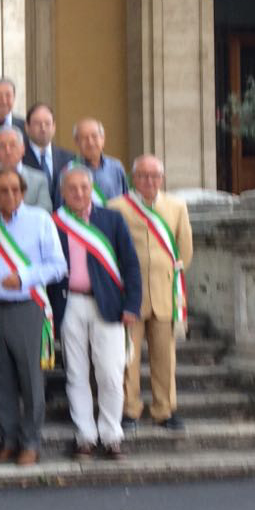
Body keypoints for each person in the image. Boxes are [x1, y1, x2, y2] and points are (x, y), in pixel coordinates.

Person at [0, 167, 67, 465]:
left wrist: (24, 278)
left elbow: (58, 265)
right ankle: (8, 440)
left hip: (28, 306)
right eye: (3, 191)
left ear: (24, 193)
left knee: (31, 379)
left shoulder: (40, 220)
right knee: (1, 380)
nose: (10, 195)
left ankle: (31, 442)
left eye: (16, 190)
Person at [55, 164, 142, 460]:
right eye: (72, 188)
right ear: (63, 192)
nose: (79, 193)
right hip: (69, 303)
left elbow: (130, 264)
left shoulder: (112, 219)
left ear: (91, 189)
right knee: (76, 373)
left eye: (84, 187)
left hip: (109, 304)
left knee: (110, 373)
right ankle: (85, 436)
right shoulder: (56, 222)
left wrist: (132, 305)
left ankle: (111, 435)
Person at [110, 154, 194, 433]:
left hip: (164, 293)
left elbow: (185, 248)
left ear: (162, 178)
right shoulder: (117, 207)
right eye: (143, 176)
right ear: (133, 178)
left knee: (165, 358)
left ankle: (164, 409)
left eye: (155, 176)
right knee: (128, 358)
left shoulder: (177, 206)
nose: (149, 181)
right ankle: (129, 409)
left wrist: (172, 277)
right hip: (130, 296)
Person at [0, 127, 51, 220]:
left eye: (13, 145)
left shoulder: (39, 179)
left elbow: (46, 209)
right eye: (2, 146)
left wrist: (14, 213)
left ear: (22, 149)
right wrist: (11, 211)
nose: (8, 151)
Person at [22, 101, 74, 207]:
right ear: (27, 127)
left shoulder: (69, 158)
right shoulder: (19, 158)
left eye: (47, 123)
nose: (43, 127)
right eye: (37, 123)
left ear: (54, 127)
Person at [69, 117, 130, 202]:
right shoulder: (69, 170)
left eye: (94, 137)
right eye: (84, 138)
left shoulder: (116, 167)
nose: (90, 142)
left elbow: (126, 199)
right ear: (76, 142)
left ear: (103, 139)